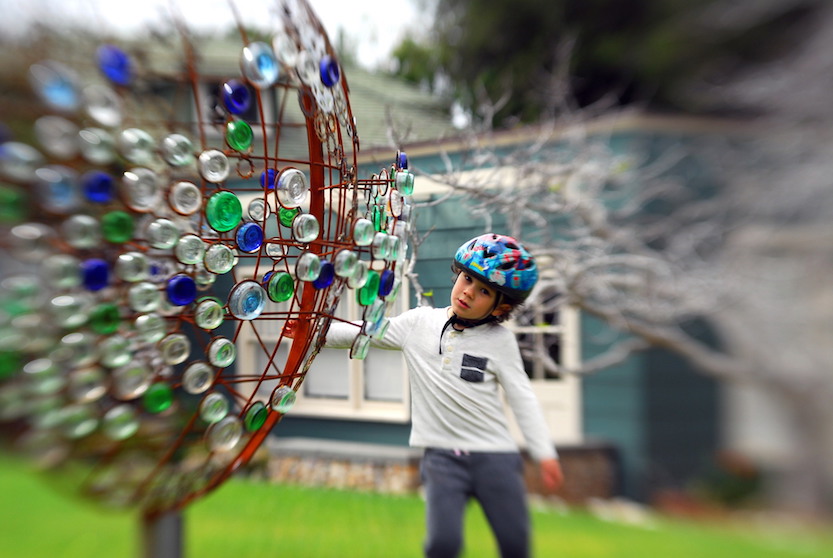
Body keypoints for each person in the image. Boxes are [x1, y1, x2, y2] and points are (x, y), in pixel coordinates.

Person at [288, 233, 564, 558]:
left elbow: (522, 396)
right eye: (467, 279)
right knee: (441, 545)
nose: (468, 292)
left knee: (515, 546)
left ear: (500, 306)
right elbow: (364, 332)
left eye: (484, 291)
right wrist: (312, 332)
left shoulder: (499, 341)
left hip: (495, 458)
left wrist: (544, 452)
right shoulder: (419, 323)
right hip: (442, 459)